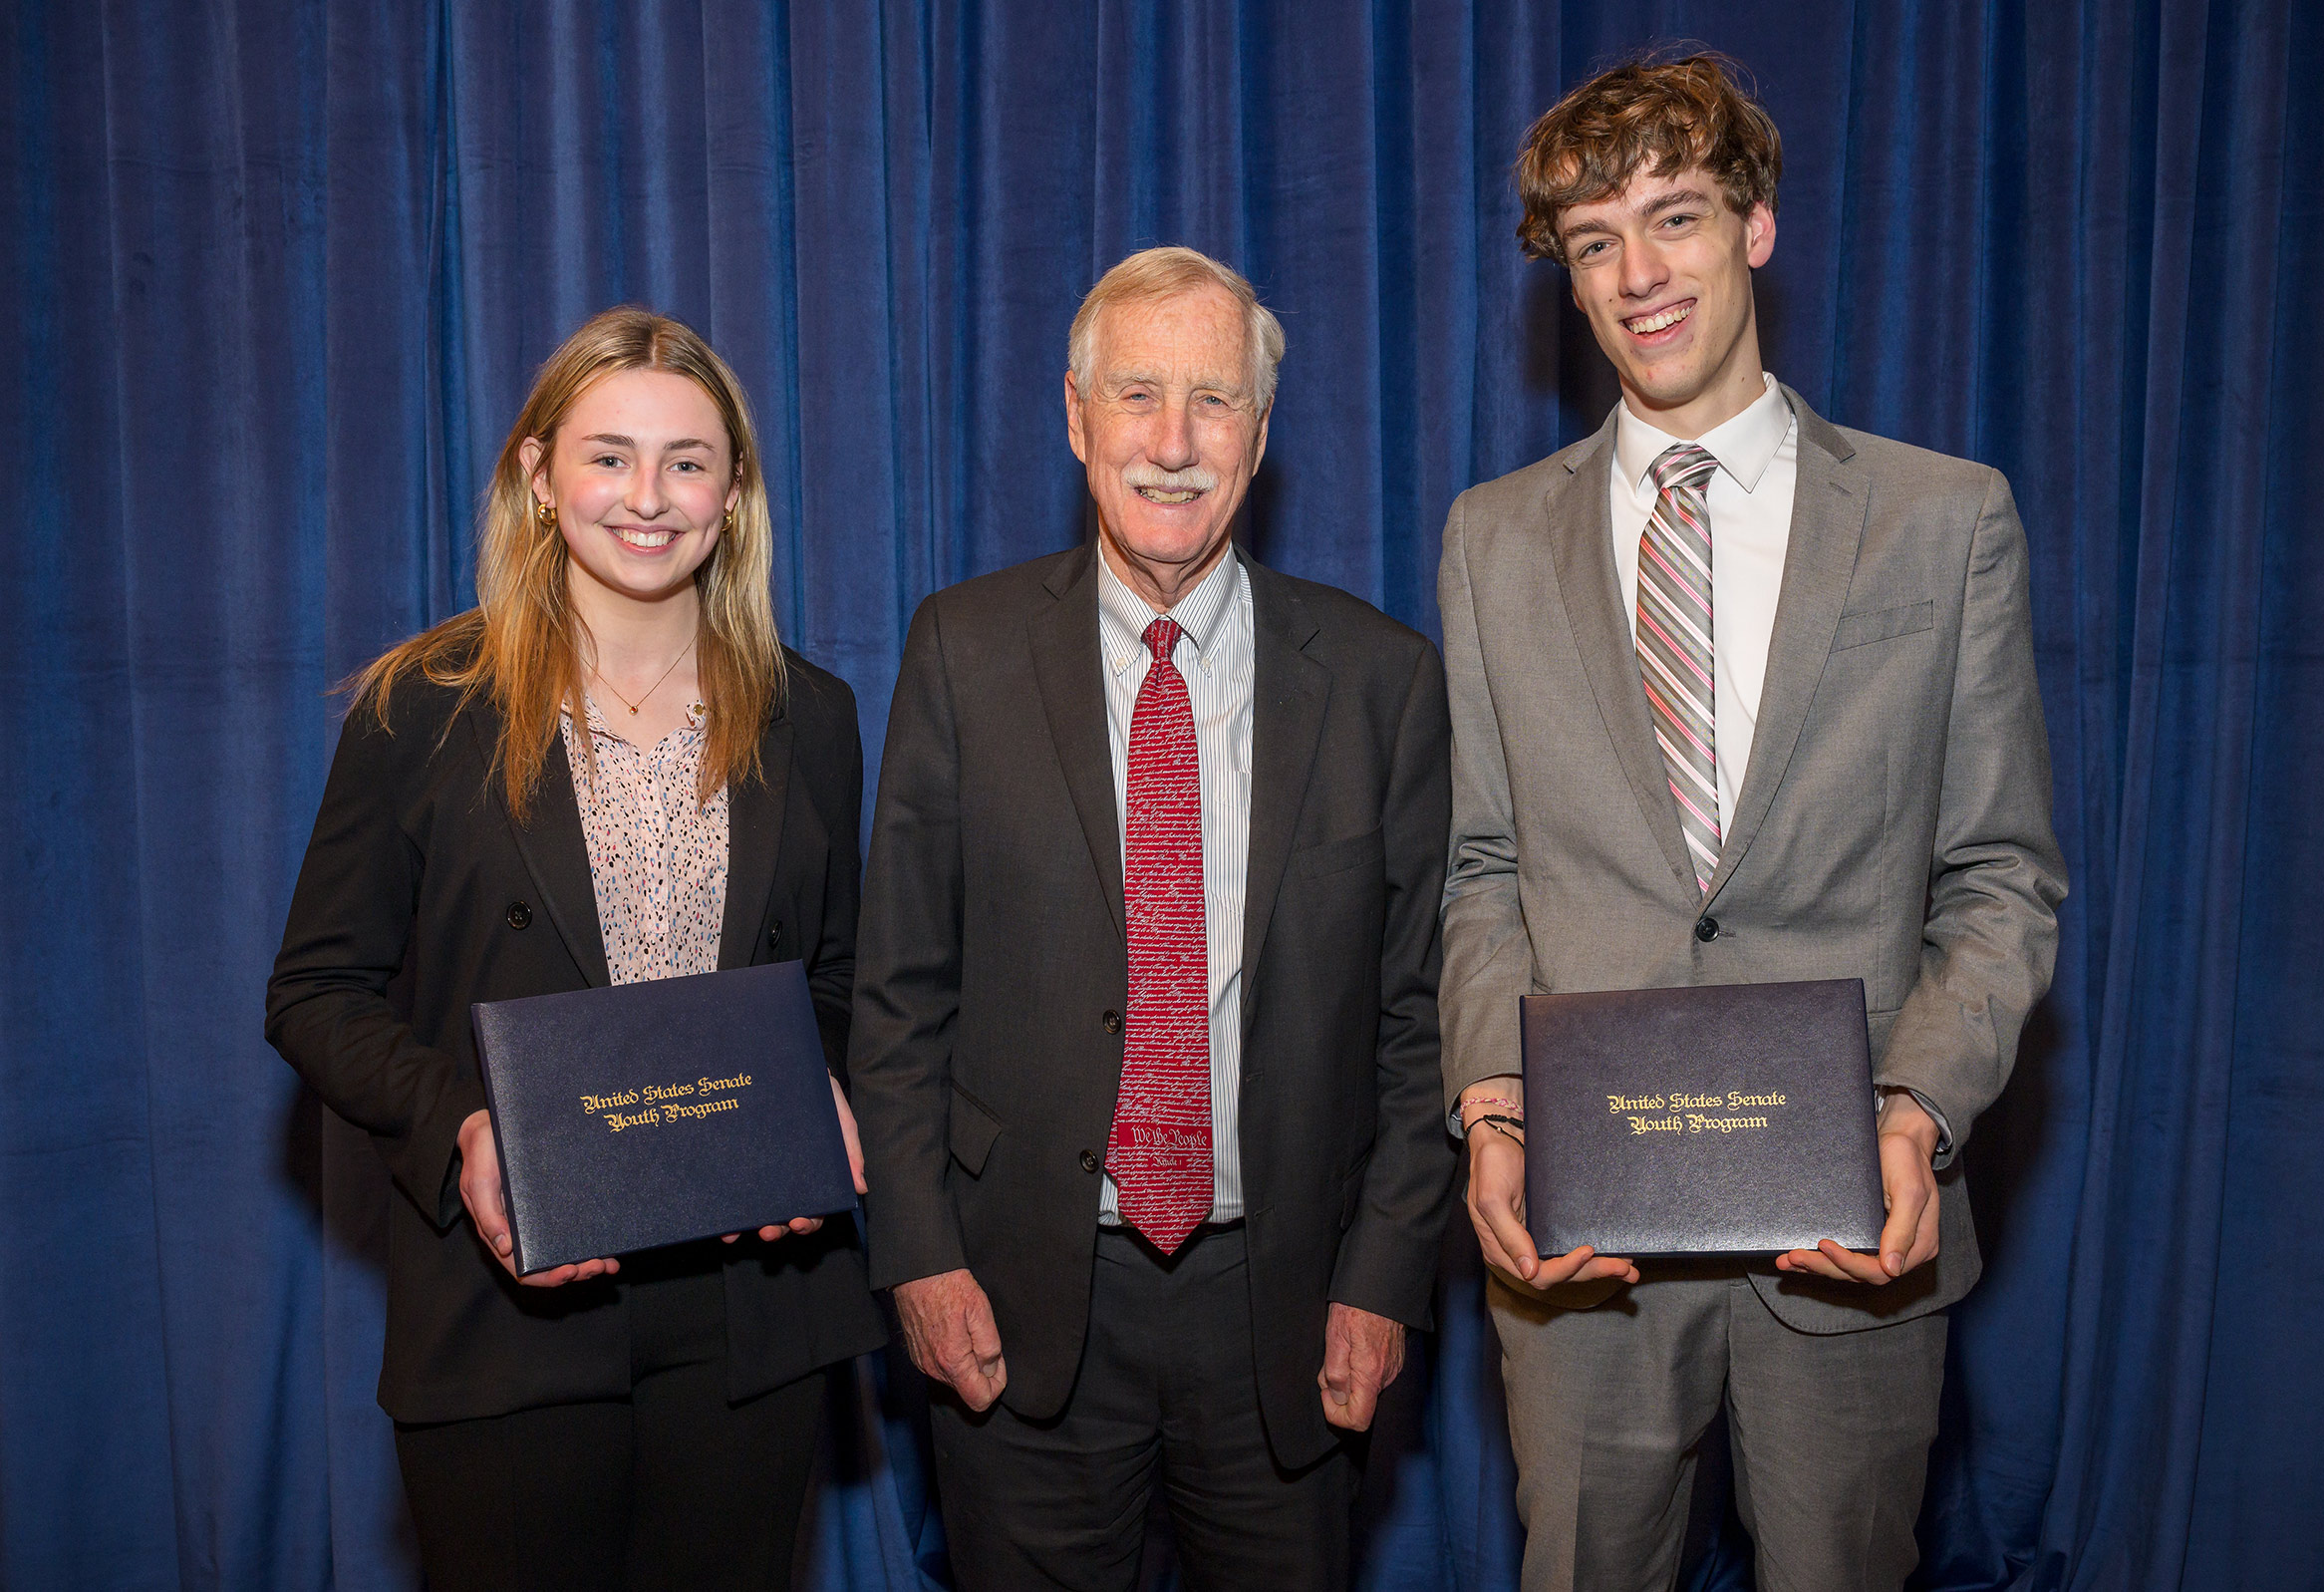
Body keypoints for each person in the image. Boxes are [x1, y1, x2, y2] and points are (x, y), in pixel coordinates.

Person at [1437, 54, 2067, 1592]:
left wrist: (1913, 1110)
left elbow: (1999, 876)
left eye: (1677, 218)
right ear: (1568, 279)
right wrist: (1495, 1106)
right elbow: (1486, 868)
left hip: (1852, 1240)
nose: (1640, 274)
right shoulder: (1490, 538)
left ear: (1757, 227)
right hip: (1584, 1256)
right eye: (1595, 242)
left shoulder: (1943, 517)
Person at [845, 246, 1454, 1589]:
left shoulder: (1382, 683)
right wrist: (921, 1256)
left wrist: (1387, 1272)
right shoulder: (962, 650)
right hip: (1018, 1302)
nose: (1175, 444)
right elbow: (899, 997)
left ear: (1263, 430)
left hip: (1288, 1310)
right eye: (1137, 395)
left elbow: (1422, 1024)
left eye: (1215, 401)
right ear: (1075, 416)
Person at [265, 306, 880, 1591]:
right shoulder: (425, 709)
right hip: (510, 1314)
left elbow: (833, 974)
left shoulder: (811, 714)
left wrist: (810, 1088)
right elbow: (314, 993)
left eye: (688, 460)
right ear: (538, 477)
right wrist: (464, 1127)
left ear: (735, 492)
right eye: (608, 456)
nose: (647, 497)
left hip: (747, 1318)